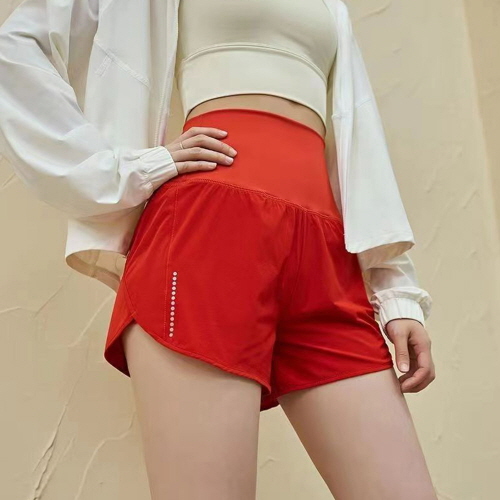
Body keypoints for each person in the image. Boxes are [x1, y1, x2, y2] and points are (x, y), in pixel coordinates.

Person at [0, 0, 437, 498]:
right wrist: (124, 169)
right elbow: (15, 49)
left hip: (326, 253)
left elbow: (355, 137)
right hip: (210, 237)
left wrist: (395, 288)